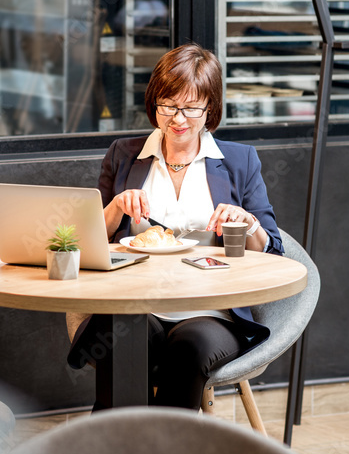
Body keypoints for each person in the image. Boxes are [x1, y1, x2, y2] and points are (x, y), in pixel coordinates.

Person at [67, 44, 284, 411]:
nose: (178, 119)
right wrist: (116, 207)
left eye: (191, 107)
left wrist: (248, 224)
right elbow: (84, 242)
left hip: (209, 311)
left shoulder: (238, 161)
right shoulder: (125, 155)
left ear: (210, 108)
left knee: (189, 348)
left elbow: (271, 248)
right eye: (168, 105)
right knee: (118, 338)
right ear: (155, 102)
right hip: (134, 304)